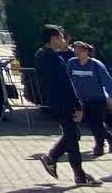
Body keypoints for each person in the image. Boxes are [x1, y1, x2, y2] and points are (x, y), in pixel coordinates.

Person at [32, 24, 98, 186]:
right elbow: (66, 84)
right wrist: (78, 105)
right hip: (64, 101)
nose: (63, 41)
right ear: (53, 39)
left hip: (53, 100)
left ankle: (52, 158)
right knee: (72, 137)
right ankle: (78, 175)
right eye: (61, 37)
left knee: (72, 135)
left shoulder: (41, 54)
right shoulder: (54, 58)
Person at [66, 40, 112, 157]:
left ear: (86, 51)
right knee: (92, 124)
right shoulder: (72, 63)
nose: (77, 52)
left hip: (96, 99)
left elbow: (108, 81)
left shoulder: (96, 64)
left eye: (80, 50)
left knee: (97, 123)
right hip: (80, 99)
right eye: (75, 49)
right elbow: (67, 79)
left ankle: (99, 146)